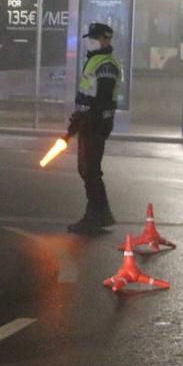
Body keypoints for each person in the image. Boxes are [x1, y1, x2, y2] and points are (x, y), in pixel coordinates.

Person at [66, 22, 124, 234]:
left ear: (105, 39)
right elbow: (89, 96)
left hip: (94, 124)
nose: (89, 41)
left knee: (90, 170)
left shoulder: (105, 65)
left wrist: (86, 120)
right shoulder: (96, 61)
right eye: (89, 37)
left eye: (94, 38)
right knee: (88, 170)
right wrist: (77, 121)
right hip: (88, 122)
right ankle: (99, 213)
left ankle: (96, 215)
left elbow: (101, 100)